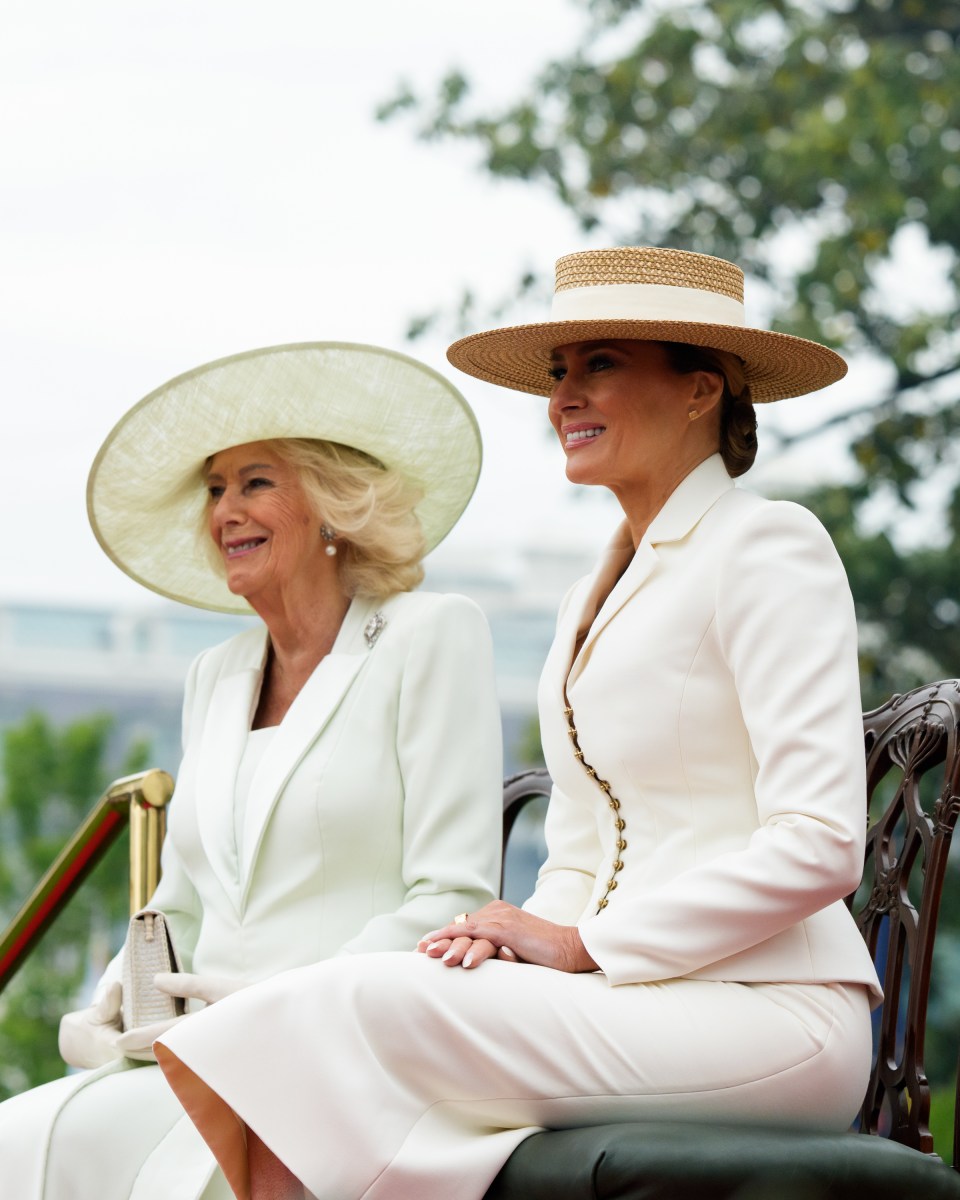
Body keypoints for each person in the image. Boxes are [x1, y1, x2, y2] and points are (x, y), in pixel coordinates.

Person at [153, 248, 883, 1200]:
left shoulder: (769, 545)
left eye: (600, 366)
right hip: (628, 998)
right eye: (558, 374)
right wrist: (514, 932)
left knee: (325, 1014)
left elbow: (825, 845)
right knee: (313, 1025)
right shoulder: (594, 588)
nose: (564, 398)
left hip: (770, 1013)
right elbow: (582, 846)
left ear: (701, 389)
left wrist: (583, 948)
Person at [0, 341, 504, 1200]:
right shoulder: (216, 674)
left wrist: (280, 1007)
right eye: (214, 489)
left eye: (256, 481)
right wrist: (124, 990)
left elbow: (448, 897)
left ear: (334, 507)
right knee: (21, 1137)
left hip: (343, 1064)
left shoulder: (431, 635)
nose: (225, 509)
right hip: (194, 1056)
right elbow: (181, 899)